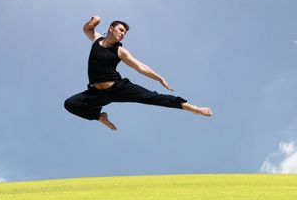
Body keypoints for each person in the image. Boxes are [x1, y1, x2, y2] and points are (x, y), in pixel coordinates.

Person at [64, 16, 213, 130]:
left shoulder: (120, 51)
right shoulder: (97, 39)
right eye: (121, 30)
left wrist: (159, 78)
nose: (123, 34)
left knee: (154, 98)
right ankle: (99, 116)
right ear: (111, 28)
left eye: (125, 33)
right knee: (70, 104)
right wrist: (94, 21)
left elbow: (140, 67)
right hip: (96, 93)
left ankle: (193, 108)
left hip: (118, 88)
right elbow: (86, 29)